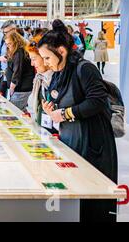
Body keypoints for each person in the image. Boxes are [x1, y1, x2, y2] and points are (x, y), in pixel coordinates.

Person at [38, 19, 117, 222]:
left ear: (61, 52)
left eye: (47, 58)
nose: (45, 63)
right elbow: (58, 98)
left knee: (93, 204)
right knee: (75, 202)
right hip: (72, 141)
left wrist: (65, 114)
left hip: (93, 144)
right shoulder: (59, 72)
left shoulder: (84, 69)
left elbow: (97, 101)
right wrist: (52, 108)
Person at [25, 30, 56, 133]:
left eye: (34, 59)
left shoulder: (58, 78)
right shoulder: (39, 78)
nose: (32, 64)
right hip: (43, 129)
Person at [4, 31, 35, 111]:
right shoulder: (16, 51)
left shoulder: (19, 51)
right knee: (20, 111)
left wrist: (12, 86)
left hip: (21, 88)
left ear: (16, 41)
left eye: (10, 43)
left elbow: (17, 70)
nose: (8, 46)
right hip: (19, 88)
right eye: (6, 44)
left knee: (13, 111)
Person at [0, 20, 17, 96]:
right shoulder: (2, 40)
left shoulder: (22, 41)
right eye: (4, 32)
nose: (5, 34)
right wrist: (0, 58)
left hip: (15, 77)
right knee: (0, 98)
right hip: (3, 75)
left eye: (7, 32)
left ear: (14, 30)